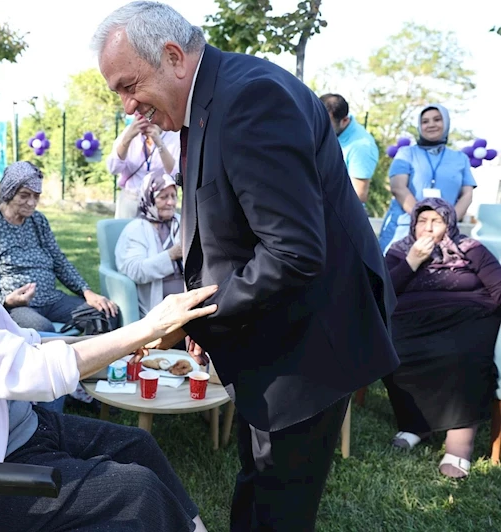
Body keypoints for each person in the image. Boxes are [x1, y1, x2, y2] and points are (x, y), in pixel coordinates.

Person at [93, 3, 399, 530]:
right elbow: (231, 229)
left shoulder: (250, 99)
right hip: (271, 336)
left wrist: (192, 316)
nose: (126, 107)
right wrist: (210, 312)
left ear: (172, 56)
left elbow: (293, 252)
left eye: (128, 85)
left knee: (278, 507)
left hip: (309, 347)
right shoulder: (212, 96)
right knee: (257, 484)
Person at [0, 189, 216, 532]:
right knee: (137, 490)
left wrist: (126, 343)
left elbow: (33, 345)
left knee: (137, 444)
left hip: (19, 435)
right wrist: (145, 328)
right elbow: (39, 372)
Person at [383, 198, 501, 478]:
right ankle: (416, 423)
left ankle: (460, 442)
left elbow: (497, 284)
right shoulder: (399, 251)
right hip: (411, 319)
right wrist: (412, 261)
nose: (428, 227)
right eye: (422, 220)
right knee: (394, 352)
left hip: (468, 315)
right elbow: (383, 291)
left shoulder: (470, 249)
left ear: (449, 223)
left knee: (462, 356)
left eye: (436, 220)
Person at [0, 161, 118, 333]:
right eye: (24, 195)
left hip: (51, 299)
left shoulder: (38, 220)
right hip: (16, 306)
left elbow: (59, 262)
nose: (31, 203)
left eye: (36, 196)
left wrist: (86, 292)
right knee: (42, 329)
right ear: (8, 193)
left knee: (105, 314)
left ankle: (92, 358)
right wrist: (5, 300)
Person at [378, 104, 476, 253]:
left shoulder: (460, 158)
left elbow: (467, 194)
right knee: (394, 274)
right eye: (425, 121)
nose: (431, 124)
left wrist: (445, 223)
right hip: (404, 229)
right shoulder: (406, 153)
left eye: (437, 119)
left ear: (446, 123)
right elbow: (398, 188)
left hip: (443, 234)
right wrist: (423, 221)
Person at [115, 170, 183, 317]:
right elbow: (135, 271)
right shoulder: (137, 229)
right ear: (149, 198)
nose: (170, 202)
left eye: (173, 196)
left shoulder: (182, 222)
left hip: (189, 301)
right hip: (158, 308)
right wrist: (171, 255)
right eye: (163, 197)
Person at [107, 111, 180, 218]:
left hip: (160, 201)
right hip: (131, 199)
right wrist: (127, 138)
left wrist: (159, 142)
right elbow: (113, 168)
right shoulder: (130, 132)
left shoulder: (173, 135)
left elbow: (176, 173)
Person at [319, 93, 379, 206]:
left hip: (337, 215)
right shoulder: (328, 132)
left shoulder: (361, 146)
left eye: (327, 125)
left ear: (345, 120)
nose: (320, 127)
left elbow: (359, 194)